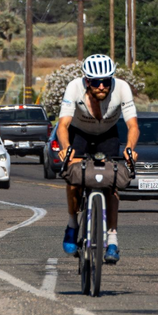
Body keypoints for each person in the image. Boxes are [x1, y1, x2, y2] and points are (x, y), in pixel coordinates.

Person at [56, 54, 139, 264]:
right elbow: (63, 125)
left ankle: (112, 240)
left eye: (106, 81)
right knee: (74, 176)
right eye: (95, 82)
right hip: (80, 134)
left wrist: (130, 149)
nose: (101, 86)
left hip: (107, 135)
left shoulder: (122, 88)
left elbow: (132, 126)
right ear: (86, 81)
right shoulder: (74, 88)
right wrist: (66, 148)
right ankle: (72, 225)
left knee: (111, 184)